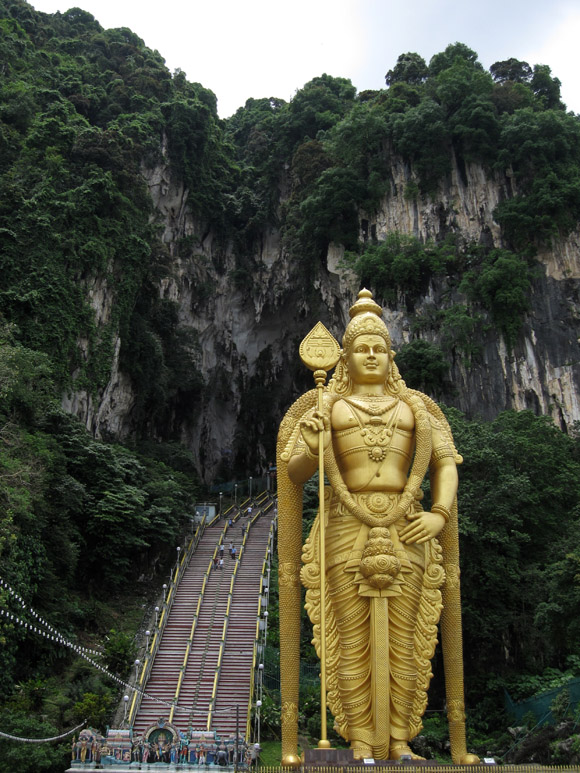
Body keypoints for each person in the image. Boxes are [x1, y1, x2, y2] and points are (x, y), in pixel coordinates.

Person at [277, 289, 478, 765]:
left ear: (391, 356)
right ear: (344, 356)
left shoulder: (419, 410)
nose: (370, 355)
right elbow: (295, 472)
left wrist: (439, 513)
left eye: (378, 348)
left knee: (406, 638)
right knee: (350, 637)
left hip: (408, 525)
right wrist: (311, 438)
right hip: (346, 526)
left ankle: (401, 739)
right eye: (361, 348)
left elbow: (445, 464)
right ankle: (362, 741)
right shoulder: (326, 405)